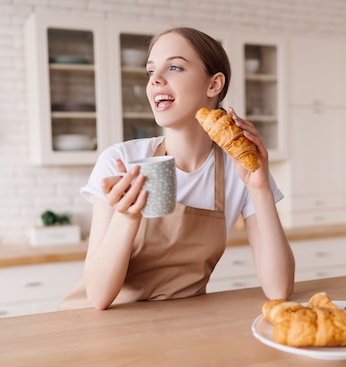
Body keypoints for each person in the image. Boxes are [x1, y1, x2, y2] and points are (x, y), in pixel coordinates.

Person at [60, 27, 294, 310]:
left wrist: (260, 189)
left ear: (214, 84)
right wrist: (128, 216)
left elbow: (278, 288)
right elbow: (97, 296)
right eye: (150, 71)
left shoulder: (239, 168)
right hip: (100, 325)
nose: (156, 79)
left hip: (182, 324)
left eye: (174, 67)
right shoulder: (121, 160)